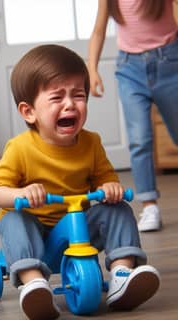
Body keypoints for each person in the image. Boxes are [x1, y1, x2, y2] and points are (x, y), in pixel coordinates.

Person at [0, 44, 160, 320]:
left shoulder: (91, 143)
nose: (70, 104)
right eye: (57, 97)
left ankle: (122, 274)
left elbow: (105, 179)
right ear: (29, 112)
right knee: (13, 220)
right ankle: (33, 284)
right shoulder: (20, 148)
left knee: (119, 209)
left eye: (78, 95)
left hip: (79, 224)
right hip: (37, 228)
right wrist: (21, 193)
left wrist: (108, 189)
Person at [88, 0, 178, 232]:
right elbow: (99, 30)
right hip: (130, 69)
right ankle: (149, 205)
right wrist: (91, 69)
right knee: (139, 139)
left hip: (170, 63)